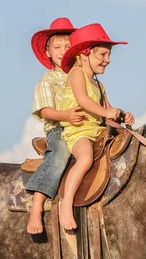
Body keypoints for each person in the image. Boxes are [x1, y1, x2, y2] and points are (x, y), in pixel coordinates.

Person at [58, 23, 135, 230]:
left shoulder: (100, 85)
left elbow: (108, 111)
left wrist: (121, 116)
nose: (107, 60)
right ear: (84, 54)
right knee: (85, 158)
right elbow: (83, 101)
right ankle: (66, 204)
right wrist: (106, 112)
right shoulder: (77, 74)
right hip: (79, 131)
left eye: (108, 55)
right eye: (102, 54)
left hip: (98, 132)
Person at [25, 18, 87, 234]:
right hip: (60, 129)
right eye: (57, 47)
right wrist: (66, 115)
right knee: (59, 155)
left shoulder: (82, 75)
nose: (63, 51)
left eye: (68, 46)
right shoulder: (47, 80)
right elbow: (45, 111)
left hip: (84, 129)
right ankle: (37, 205)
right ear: (48, 52)